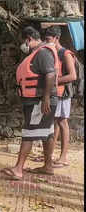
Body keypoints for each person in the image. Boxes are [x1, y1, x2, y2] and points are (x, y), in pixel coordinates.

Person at [2, 26, 63, 180]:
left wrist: (46, 98)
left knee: (28, 133)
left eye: (23, 42)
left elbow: (50, 75)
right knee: (48, 133)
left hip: (39, 101)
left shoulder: (42, 53)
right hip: (39, 100)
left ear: (28, 39)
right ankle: (48, 166)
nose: (23, 46)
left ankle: (18, 169)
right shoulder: (39, 52)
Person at [44, 25, 77, 168]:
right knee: (55, 121)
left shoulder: (65, 53)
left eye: (48, 39)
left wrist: (54, 81)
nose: (46, 42)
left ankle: (63, 157)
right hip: (55, 92)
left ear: (56, 38)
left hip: (63, 94)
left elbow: (72, 75)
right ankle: (50, 154)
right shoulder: (52, 53)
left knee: (62, 122)